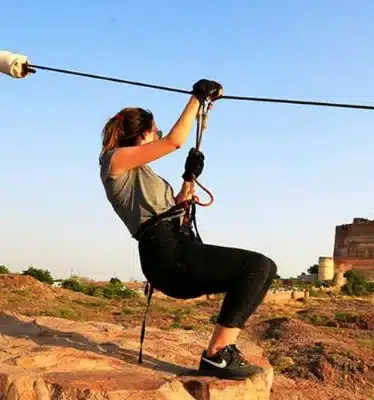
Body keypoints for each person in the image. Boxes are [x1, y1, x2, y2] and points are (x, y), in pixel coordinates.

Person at [98, 79, 278, 380]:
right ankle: (217, 354)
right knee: (256, 266)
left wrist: (187, 178)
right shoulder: (114, 161)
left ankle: (220, 352)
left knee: (263, 269)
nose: (157, 134)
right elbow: (174, 141)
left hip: (176, 247)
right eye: (154, 130)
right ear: (143, 134)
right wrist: (197, 99)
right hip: (165, 253)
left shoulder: (143, 172)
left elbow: (172, 206)